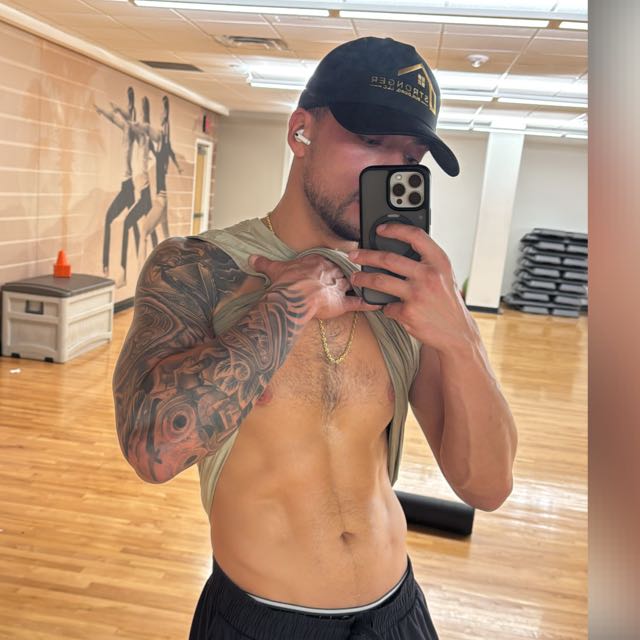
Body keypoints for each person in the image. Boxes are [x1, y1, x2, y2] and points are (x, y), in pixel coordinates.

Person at [113, 37, 517, 640]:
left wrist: (461, 337)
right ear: (301, 131)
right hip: (260, 621)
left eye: (410, 156)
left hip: (397, 612)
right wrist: (288, 305)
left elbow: (487, 486)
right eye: (371, 141)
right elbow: (153, 451)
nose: (390, 171)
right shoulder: (198, 267)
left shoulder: (407, 289)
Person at [95, 86, 138, 277]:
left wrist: (117, 110)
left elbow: (122, 119)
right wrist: (104, 111)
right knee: (133, 227)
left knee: (115, 221)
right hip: (127, 187)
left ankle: (110, 266)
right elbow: (116, 120)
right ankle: (117, 266)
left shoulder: (132, 131)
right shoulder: (127, 131)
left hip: (128, 188)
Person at [136, 95, 182, 264]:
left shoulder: (163, 138)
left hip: (160, 199)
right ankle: (172, 268)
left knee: (143, 233)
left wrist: (139, 124)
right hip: (163, 199)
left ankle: (141, 271)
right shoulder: (163, 149)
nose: (161, 114)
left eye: (163, 112)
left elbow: (151, 129)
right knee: (167, 239)